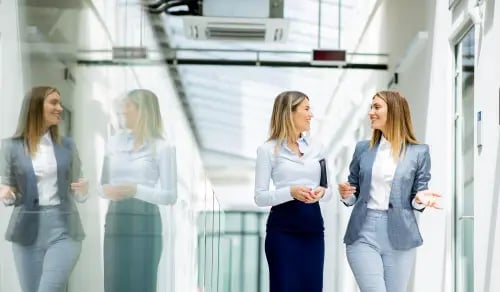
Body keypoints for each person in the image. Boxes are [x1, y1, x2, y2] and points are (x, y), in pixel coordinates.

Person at [338, 91, 441, 292]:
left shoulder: (419, 152)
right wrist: (346, 194)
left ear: (393, 110)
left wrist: (419, 199)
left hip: (401, 235)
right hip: (362, 233)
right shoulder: (362, 149)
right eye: (371, 107)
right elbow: (353, 194)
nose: (371, 113)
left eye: (377, 107)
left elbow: (417, 196)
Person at [0, 86, 88, 292]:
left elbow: (78, 188)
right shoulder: (10, 147)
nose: (60, 108)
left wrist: (83, 190)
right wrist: (6, 194)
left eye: (60, 103)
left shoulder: (67, 145)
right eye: (54, 102)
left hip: (64, 231)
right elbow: (8, 192)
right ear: (36, 106)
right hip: (26, 232)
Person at [99, 89, 177, 292]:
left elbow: (170, 196)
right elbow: (102, 185)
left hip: (146, 220)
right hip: (116, 218)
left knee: (141, 282)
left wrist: (135, 190)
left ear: (142, 111)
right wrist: (105, 191)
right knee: (114, 282)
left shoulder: (163, 147)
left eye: (128, 106)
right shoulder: (114, 142)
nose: (123, 111)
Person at [254, 91, 331, 292]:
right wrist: (291, 192)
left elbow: (328, 190)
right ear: (290, 113)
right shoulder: (267, 150)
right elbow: (260, 197)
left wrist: (321, 193)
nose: (311, 114)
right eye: (306, 109)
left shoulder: (318, 147)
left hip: (313, 231)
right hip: (283, 233)